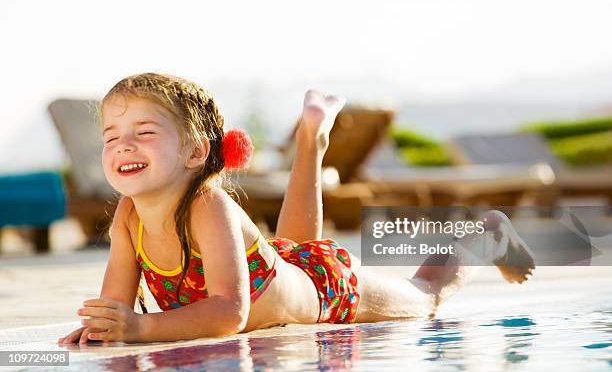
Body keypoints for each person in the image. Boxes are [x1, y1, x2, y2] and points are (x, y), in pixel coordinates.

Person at [57, 73, 534, 345]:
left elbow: (228, 313)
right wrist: (102, 326)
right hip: (284, 270)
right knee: (293, 249)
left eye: (144, 132)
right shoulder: (129, 215)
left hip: (329, 292)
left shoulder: (207, 205)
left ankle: (487, 234)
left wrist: (142, 326)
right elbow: (116, 304)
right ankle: (312, 141)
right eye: (111, 136)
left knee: (426, 297)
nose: (124, 145)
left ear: (196, 153)